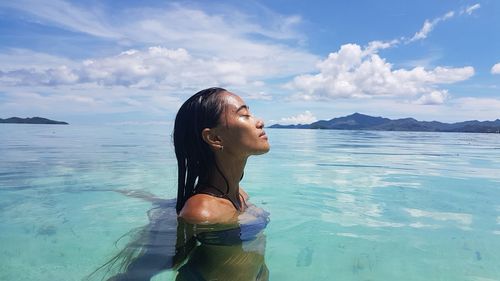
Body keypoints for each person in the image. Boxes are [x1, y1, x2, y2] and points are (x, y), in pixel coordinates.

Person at [86, 87, 271, 281]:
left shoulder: (240, 195)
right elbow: (150, 266)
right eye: (245, 115)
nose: (260, 121)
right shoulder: (202, 211)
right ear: (214, 138)